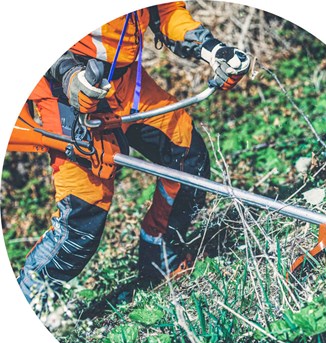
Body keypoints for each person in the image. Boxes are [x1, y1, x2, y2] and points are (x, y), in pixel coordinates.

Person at [17, 2, 250, 304]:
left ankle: (161, 258)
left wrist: (211, 49)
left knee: (186, 153)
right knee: (81, 222)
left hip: (127, 82)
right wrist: (69, 75)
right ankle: (28, 301)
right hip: (68, 93)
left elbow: (165, 12)